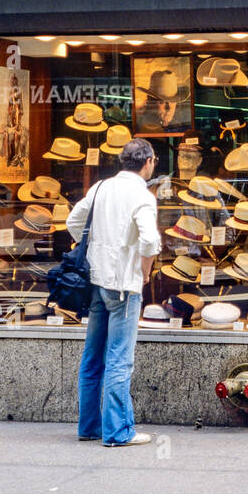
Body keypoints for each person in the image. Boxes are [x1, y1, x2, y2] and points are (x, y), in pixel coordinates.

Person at [68, 136, 163, 446]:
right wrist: (145, 271)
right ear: (148, 162)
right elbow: (150, 242)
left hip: (95, 280)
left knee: (93, 357)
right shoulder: (143, 196)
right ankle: (118, 431)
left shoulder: (101, 188)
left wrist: (96, 244)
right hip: (123, 285)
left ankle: (89, 426)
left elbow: (73, 222)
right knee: (120, 359)